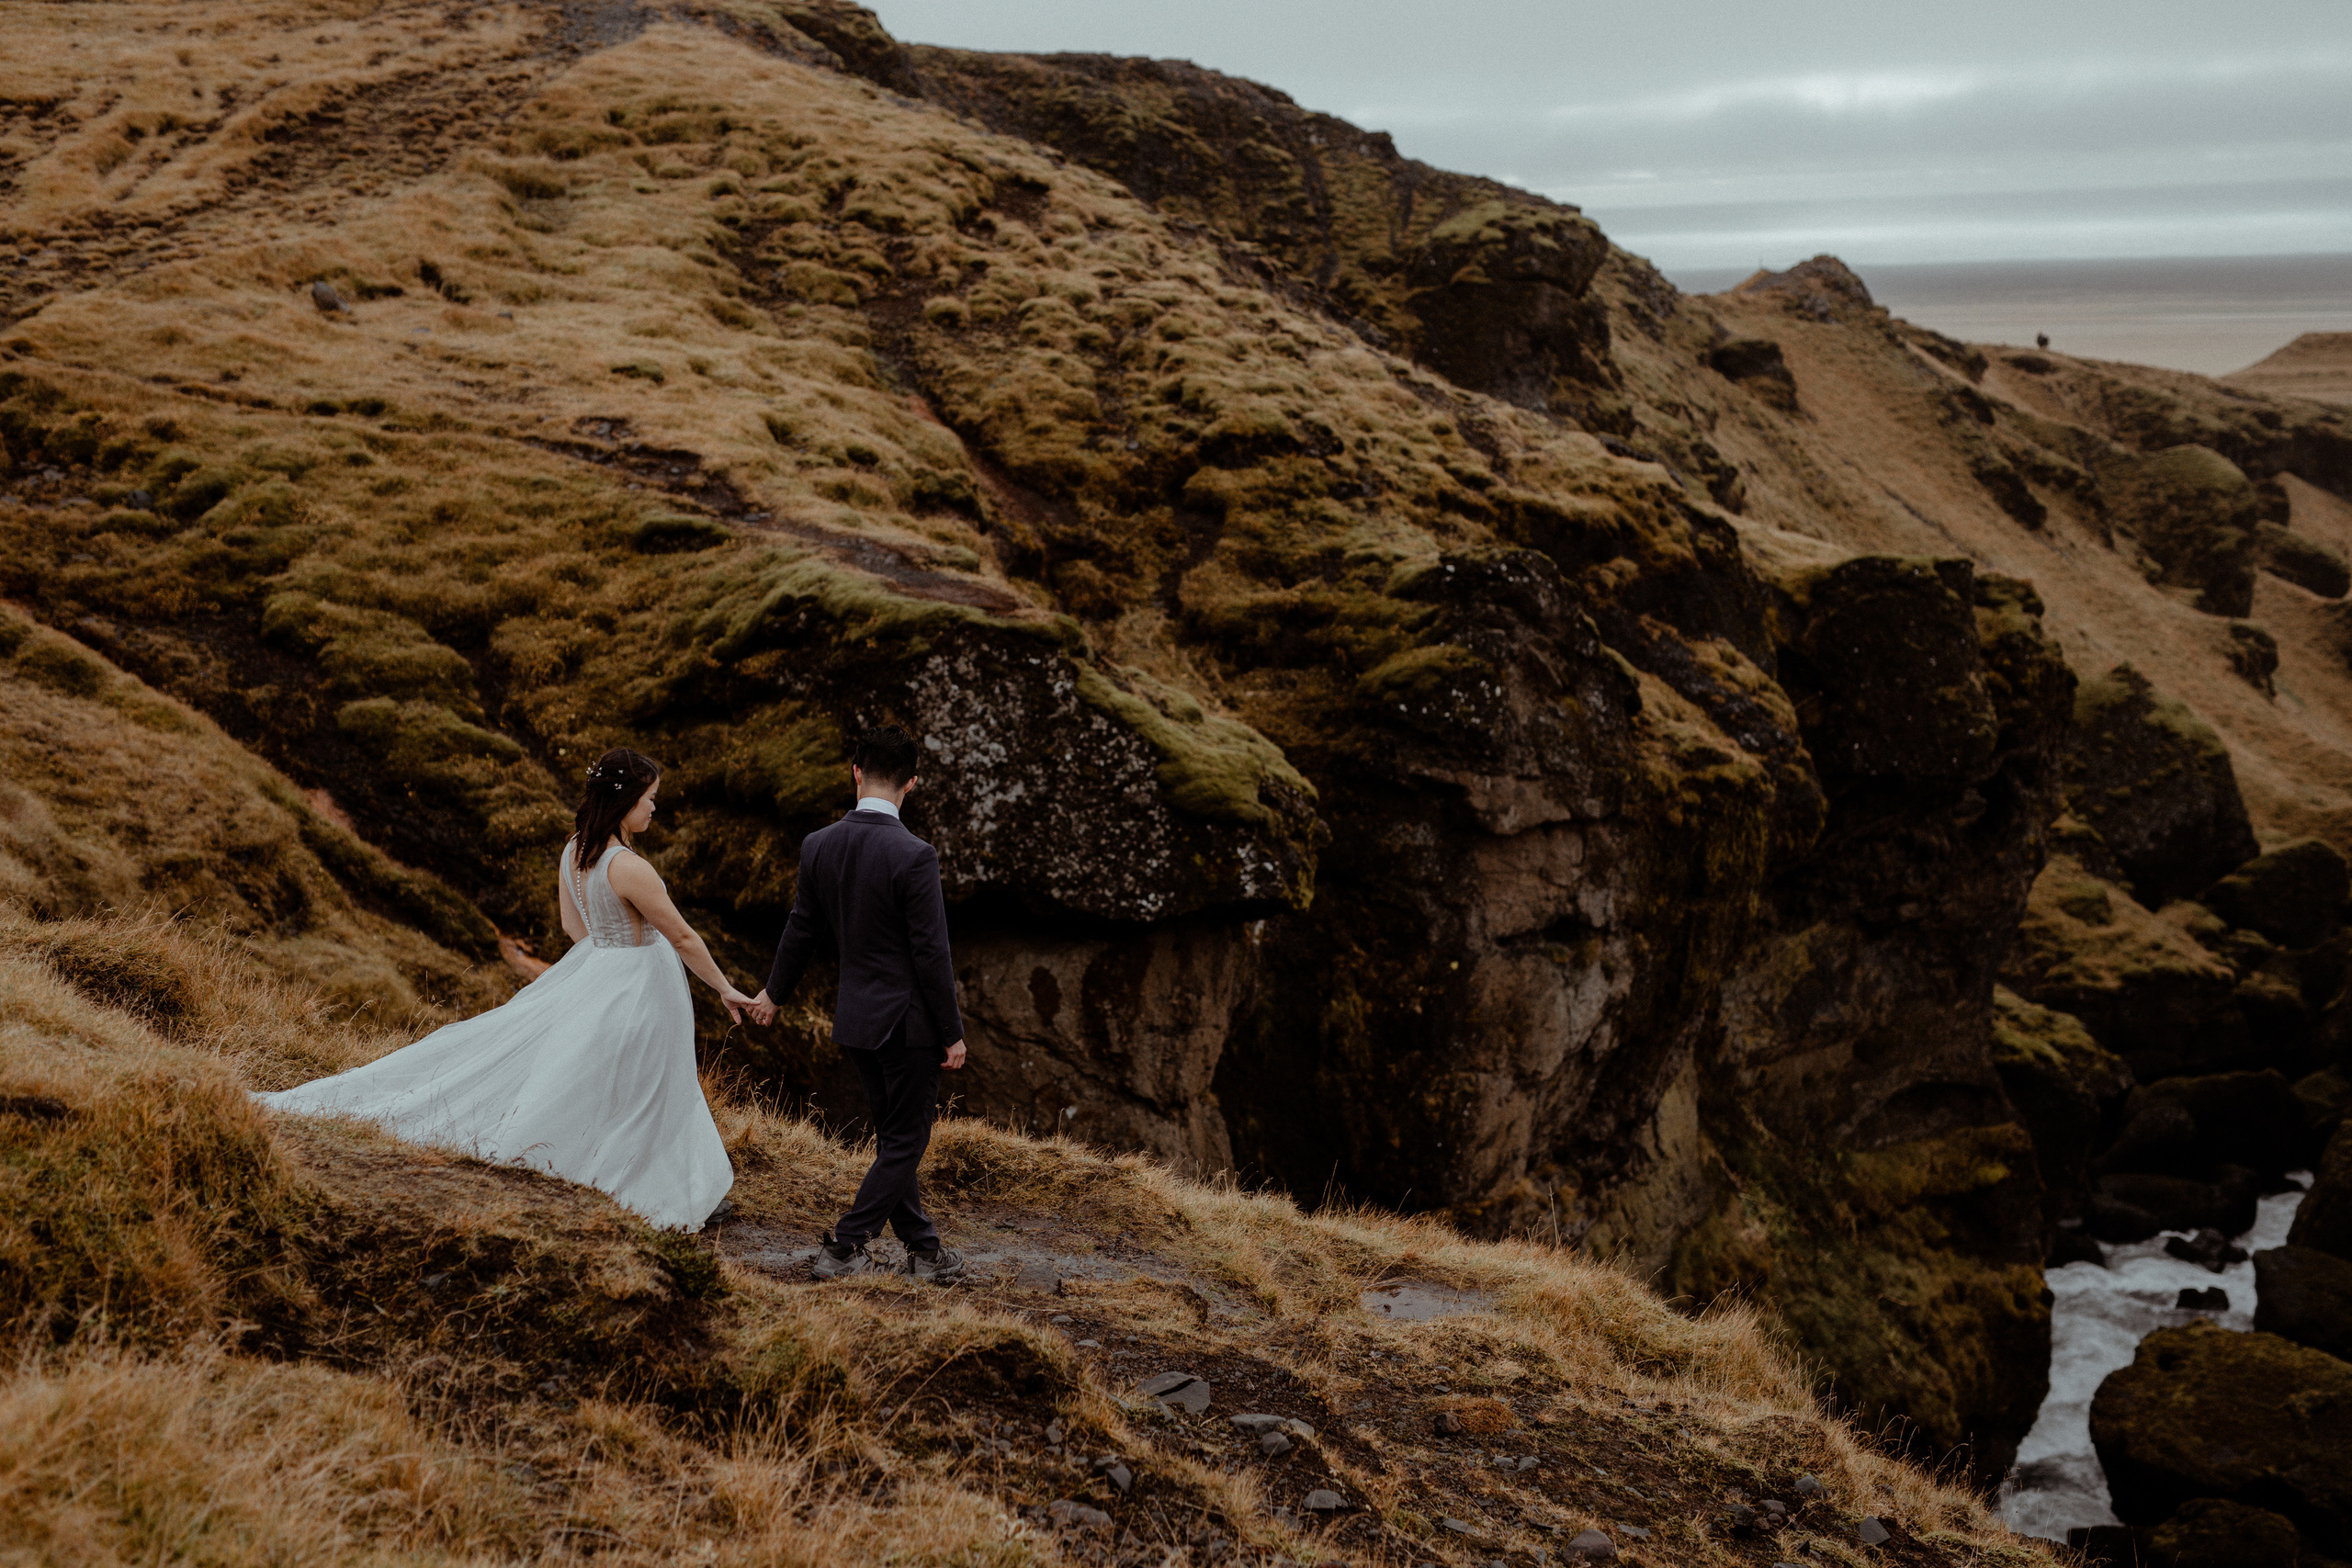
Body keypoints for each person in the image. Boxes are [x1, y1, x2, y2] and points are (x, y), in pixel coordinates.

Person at [254, 749, 746, 1231]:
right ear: (627, 800)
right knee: (652, 1081)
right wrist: (724, 988)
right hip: (638, 982)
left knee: (608, 1079)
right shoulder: (631, 867)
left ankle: (673, 1174)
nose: (655, 807)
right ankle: (658, 1180)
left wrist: (605, 957)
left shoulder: (575, 850)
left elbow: (573, 926)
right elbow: (681, 936)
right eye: (651, 797)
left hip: (598, 972)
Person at [751, 725, 968, 1283]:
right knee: (905, 1141)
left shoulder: (819, 845)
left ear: (855, 772)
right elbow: (931, 953)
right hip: (910, 1026)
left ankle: (924, 1251)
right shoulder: (915, 855)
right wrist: (952, 1032)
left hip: (856, 1022)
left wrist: (773, 994)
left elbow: (801, 929)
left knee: (894, 1139)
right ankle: (845, 1246)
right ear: (911, 783)